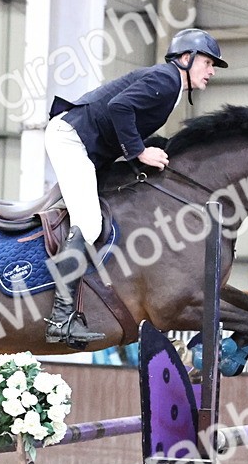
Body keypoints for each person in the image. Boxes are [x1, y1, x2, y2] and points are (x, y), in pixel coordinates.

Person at [43, 28, 227, 348]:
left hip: (88, 144)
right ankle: (61, 319)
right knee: (88, 223)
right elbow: (119, 107)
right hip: (73, 139)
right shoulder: (167, 80)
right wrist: (140, 152)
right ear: (186, 58)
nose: (211, 71)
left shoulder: (171, 85)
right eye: (208, 63)